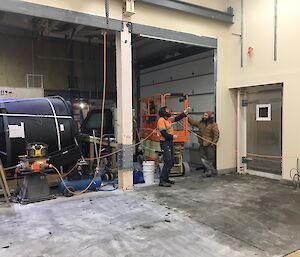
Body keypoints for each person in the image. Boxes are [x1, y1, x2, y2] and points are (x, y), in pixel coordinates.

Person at [157, 106, 190, 187]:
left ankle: (166, 178)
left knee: (171, 161)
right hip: (164, 142)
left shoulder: (168, 119)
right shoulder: (161, 120)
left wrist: (184, 113)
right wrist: (172, 137)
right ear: (164, 112)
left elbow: (177, 118)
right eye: (168, 110)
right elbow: (163, 133)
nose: (169, 111)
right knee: (168, 161)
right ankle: (162, 180)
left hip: (169, 142)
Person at [188, 111, 219, 177]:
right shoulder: (200, 123)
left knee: (210, 158)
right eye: (204, 115)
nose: (204, 116)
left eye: (206, 115)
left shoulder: (213, 124)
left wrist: (214, 142)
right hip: (202, 143)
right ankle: (211, 171)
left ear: (209, 117)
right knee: (202, 158)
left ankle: (210, 171)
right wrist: (186, 116)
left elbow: (216, 134)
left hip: (209, 144)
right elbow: (193, 122)